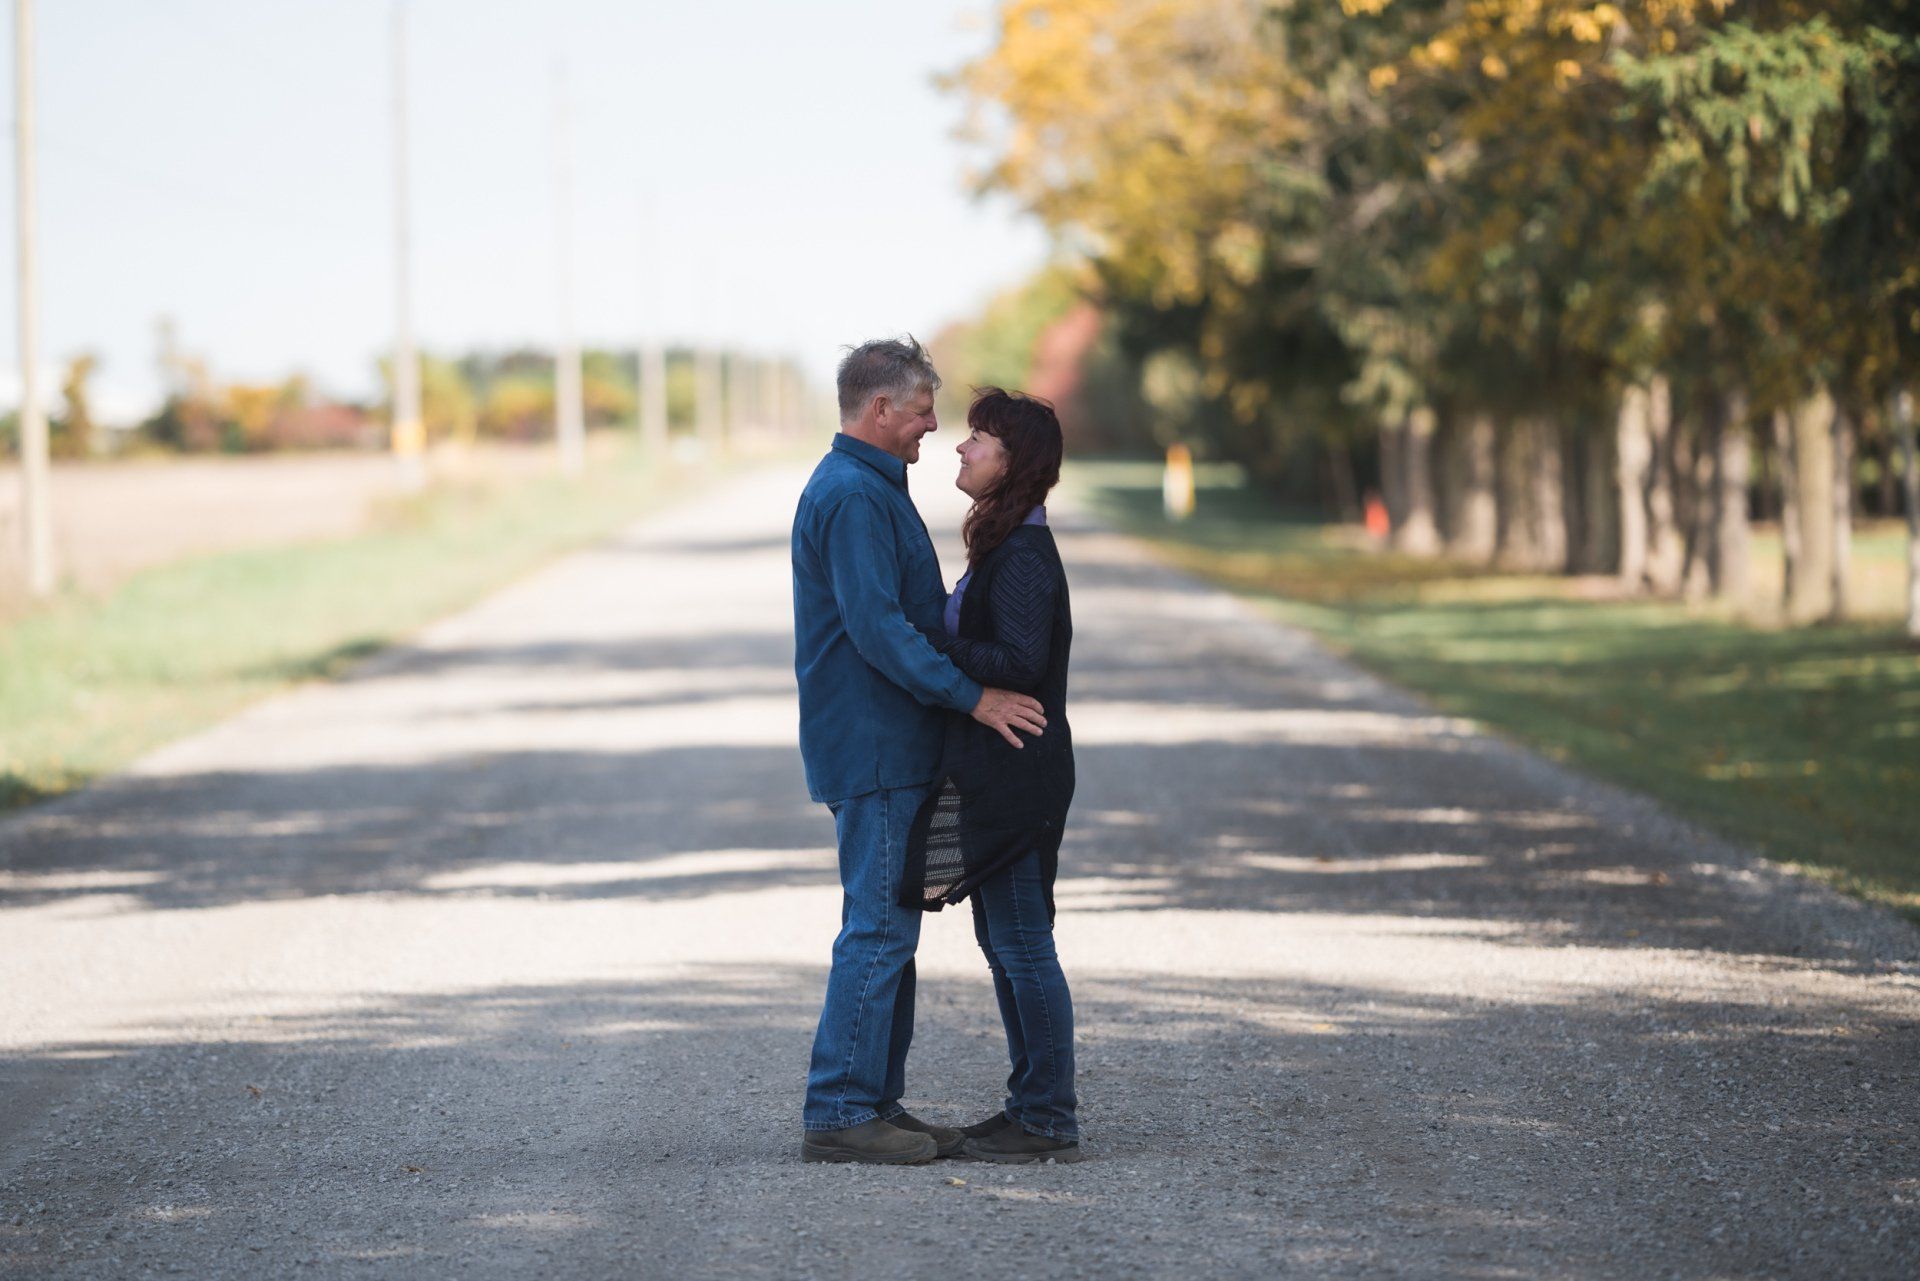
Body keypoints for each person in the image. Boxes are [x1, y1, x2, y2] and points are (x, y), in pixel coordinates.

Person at [791, 338, 1049, 1165]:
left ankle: (873, 1102)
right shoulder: (855, 497)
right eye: (921, 410)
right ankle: (837, 1109)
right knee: (876, 929)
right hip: (874, 745)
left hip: (892, 742)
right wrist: (973, 696)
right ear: (878, 410)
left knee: (891, 928)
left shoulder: (870, 487)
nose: (932, 427)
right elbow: (878, 629)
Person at [902, 387, 1081, 1163]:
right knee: (1009, 941)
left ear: (1018, 463)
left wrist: (930, 642)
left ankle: (1046, 1117)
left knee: (1021, 943)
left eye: (979, 438)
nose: (962, 447)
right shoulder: (1005, 545)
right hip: (1000, 772)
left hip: (1017, 775)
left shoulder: (1022, 555)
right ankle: (1031, 1106)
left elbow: (1020, 663)